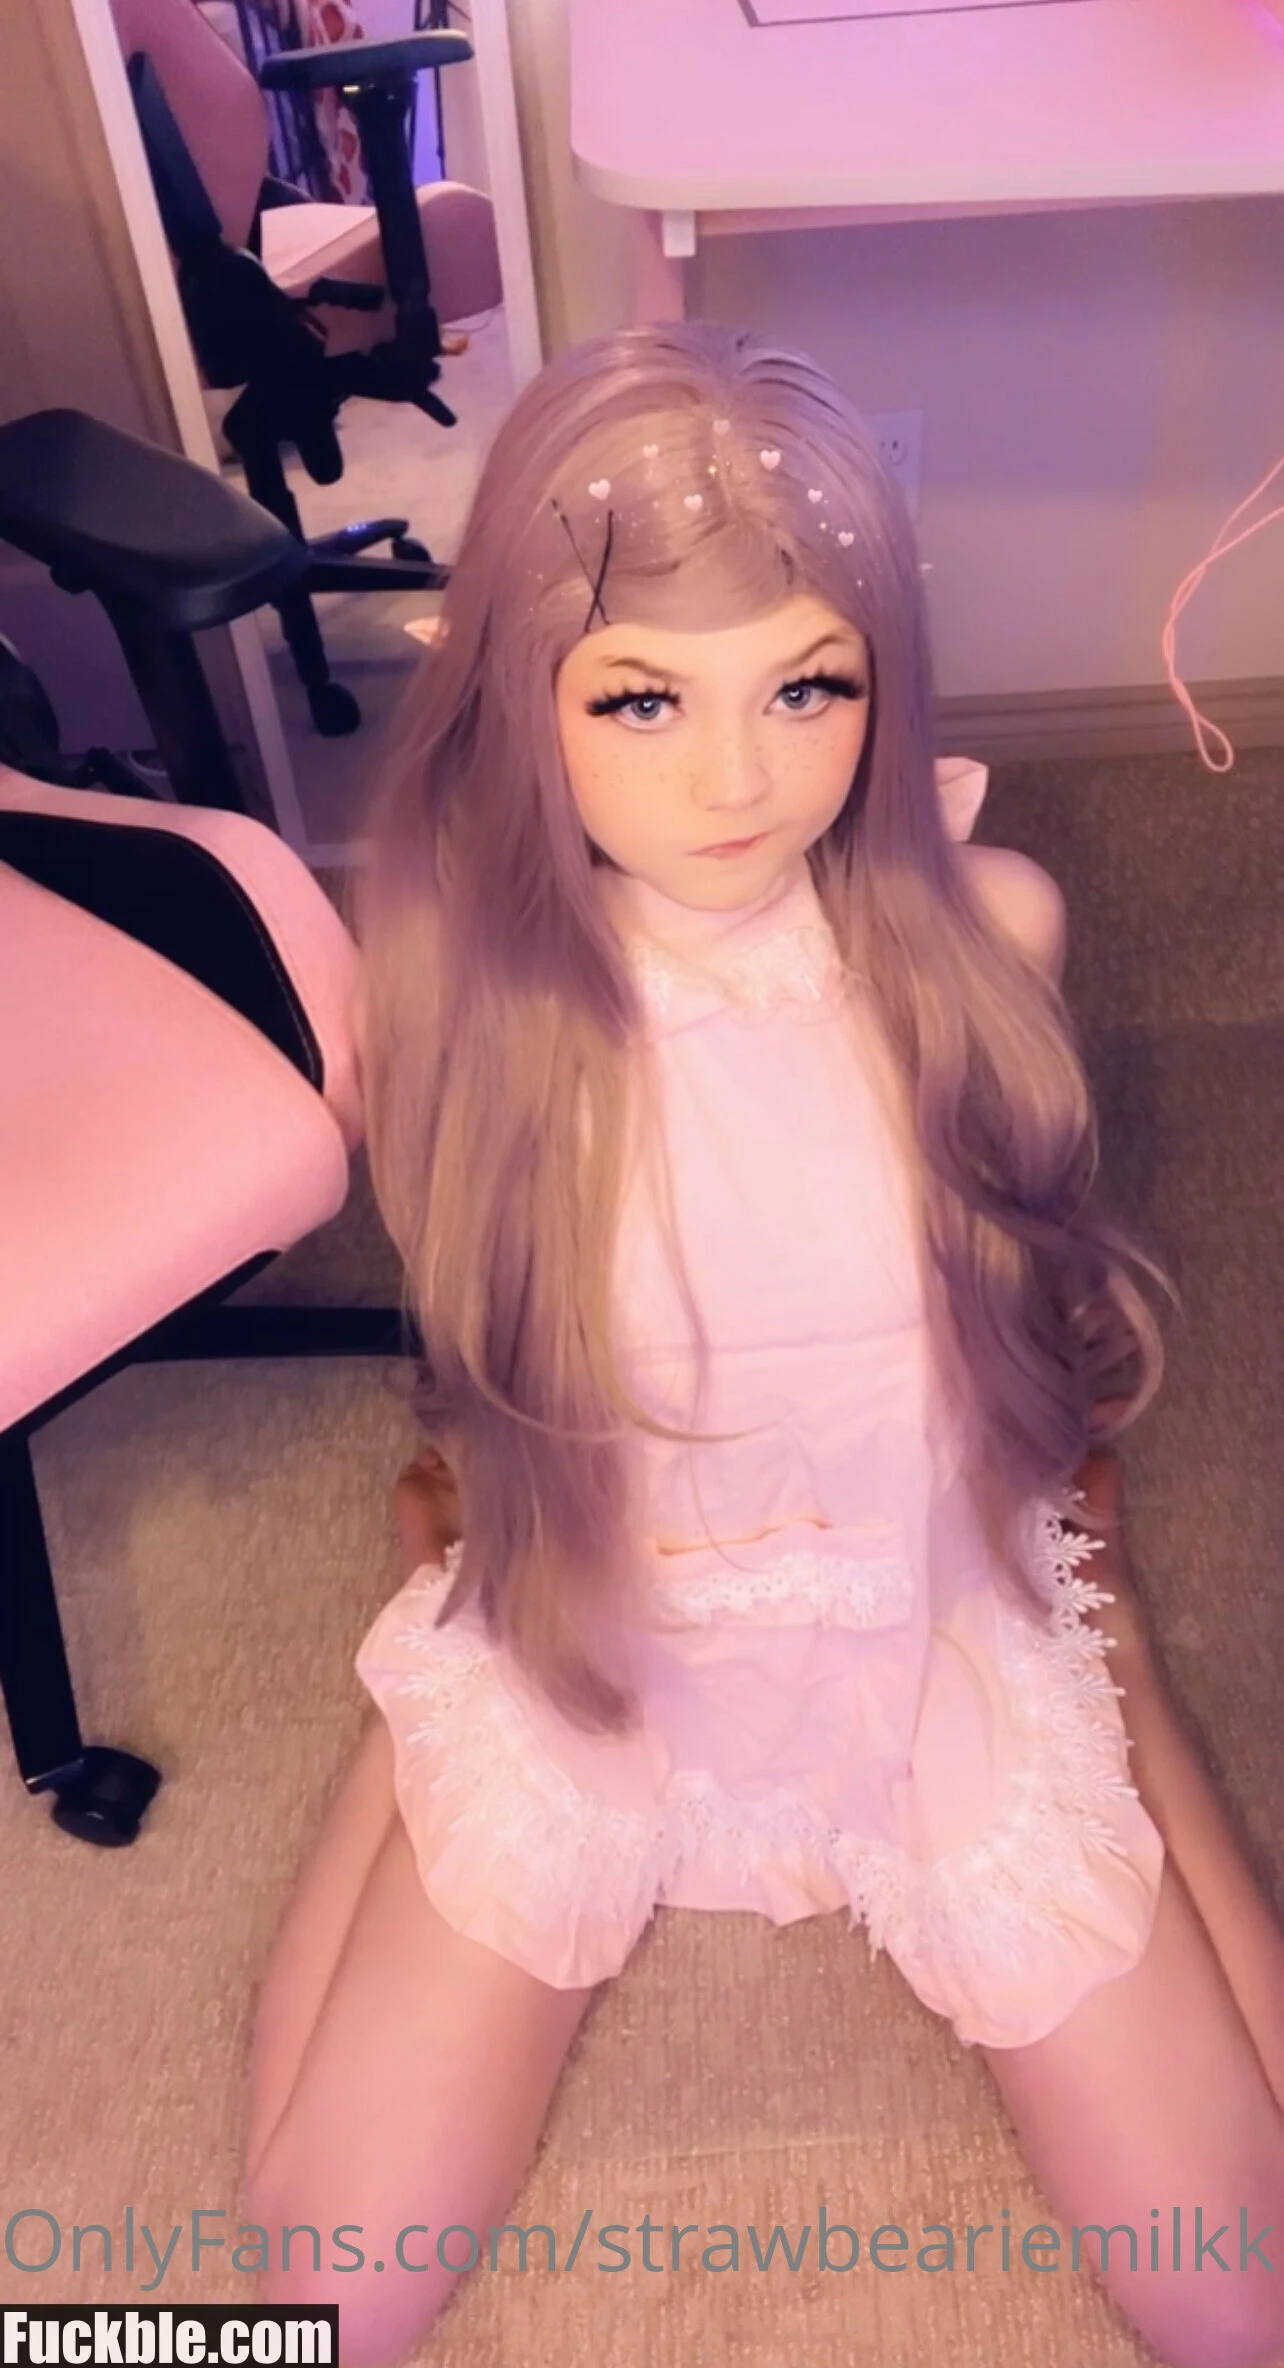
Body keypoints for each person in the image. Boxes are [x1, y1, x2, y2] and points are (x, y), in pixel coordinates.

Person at [240, 322, 1284, 2368]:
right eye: (642, 697)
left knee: (1236, 2309)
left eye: (808, 685)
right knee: (317, 2307)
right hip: (600, 1630)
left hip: (928, 1616)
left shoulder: (990, 932)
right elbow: (495, 1323)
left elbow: (993, 1300)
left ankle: (1114, 1637)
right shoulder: (455, 996)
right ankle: (425, 1643)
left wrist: (1053, 1585)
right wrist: (487, 1594)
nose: (737, 779)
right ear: (526, 697)